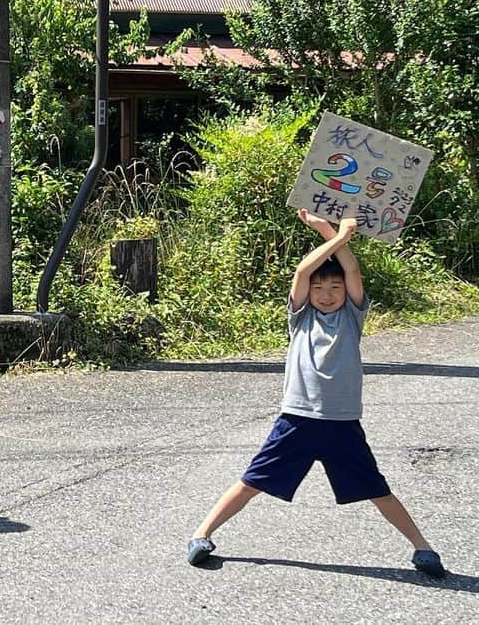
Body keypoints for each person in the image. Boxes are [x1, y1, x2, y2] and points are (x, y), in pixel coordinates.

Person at [186, 209, 445, 579]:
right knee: (250, 482)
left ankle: (423, 548)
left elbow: (351, 271)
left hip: (342, 423)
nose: (326, 294)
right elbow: (302, 272)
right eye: (319, 289)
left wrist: (331, 232)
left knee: (378, 490)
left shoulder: (352, 317)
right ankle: (201, 535)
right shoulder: (300, 317)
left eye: (334, 288)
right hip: (297, 419)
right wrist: (335, 235)